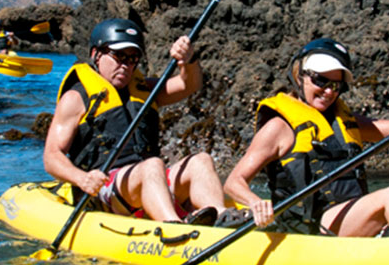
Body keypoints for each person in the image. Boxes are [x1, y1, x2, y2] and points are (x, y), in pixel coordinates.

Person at [224, 38, 389, 237]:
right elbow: (233, 182)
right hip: (312, 227)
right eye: (320, 80)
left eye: (335, 85)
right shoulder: (279, 128)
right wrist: (256, 203)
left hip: (353, 214)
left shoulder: (343, 120)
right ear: (299, 75)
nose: (328, 91)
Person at [43, 18, 245, 226]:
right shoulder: (76, 98)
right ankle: (173, 225)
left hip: (148, 179)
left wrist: (188, 59)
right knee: (152, 165)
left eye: (132, 58)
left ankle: (222, 217)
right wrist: (81, 179)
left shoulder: (144, 90)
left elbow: (189, 84)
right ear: (96, 54)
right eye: (118, 56)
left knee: (200, 161)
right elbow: (51, 157)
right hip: (104, 188)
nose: (125, 65)